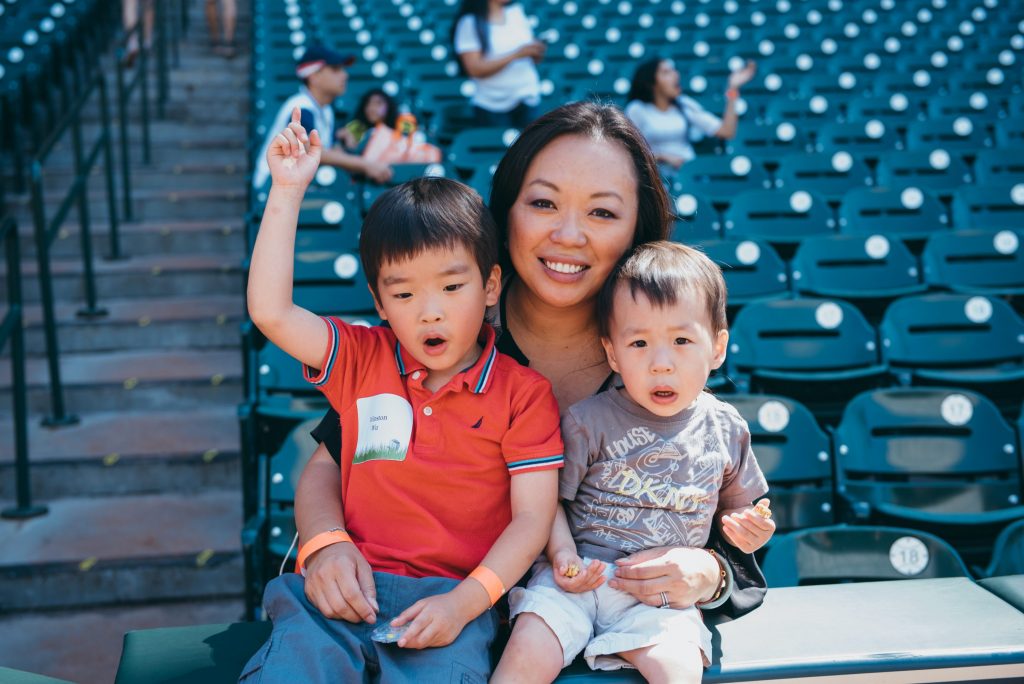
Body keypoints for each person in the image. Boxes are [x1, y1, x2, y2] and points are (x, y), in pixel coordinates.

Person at [306, 101, 768, 656]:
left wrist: (708, 574)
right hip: (424, 635)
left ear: (637, 231)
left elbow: (737, 537)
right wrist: (326, 545)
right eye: (543, 203)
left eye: (602, 213)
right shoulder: (442, 335)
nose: (568, 234)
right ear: (505, 214)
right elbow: (328, 469)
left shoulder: (667, 360)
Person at [241, 109, 565, 682]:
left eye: (451, 285)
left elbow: (531, 521)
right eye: (405, 292)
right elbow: (271, 312)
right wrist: (288, 190)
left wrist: (466, 603)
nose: (430, 309)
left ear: (490, 285)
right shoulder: (362, 359)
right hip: (340, 592)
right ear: (380, 303)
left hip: (449, 608)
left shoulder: (523, 393)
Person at [493, 241, 775, 683]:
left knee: (679, 668)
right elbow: (547, 504)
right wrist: (562, 552)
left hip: (660, 594)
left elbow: (740, 511)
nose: (661, 363)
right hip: (577, 579)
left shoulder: (726, 428)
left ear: (717, 348)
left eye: (682, 340)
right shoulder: (587, 421)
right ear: (612, 353)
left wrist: (750, 529)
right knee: (527, 649)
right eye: (639, 342)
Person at [251, 45, 393, 189]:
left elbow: (333, 150)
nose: (345, 75)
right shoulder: (301, 105)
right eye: (335, 70)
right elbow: (307, 150)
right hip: (272, 189)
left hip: (294, 185)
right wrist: (364, 164)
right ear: (314, 76)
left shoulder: (325, 110)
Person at [625, 57, 758, 171]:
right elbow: (629, 153)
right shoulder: (637, 109)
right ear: (651, 83)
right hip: (654, 178)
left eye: (674, 70)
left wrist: (733, 88)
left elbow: (727, 131)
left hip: (687, 172)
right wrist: (662, 157)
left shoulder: (684, 104)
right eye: (666, 72)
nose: (676, 75)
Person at [451, 0, 546, 128]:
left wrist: (535, 52)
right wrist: (516, 55)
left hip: (527, 96)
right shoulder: (470, 22)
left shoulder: (516, 12)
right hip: (491, 104)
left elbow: (531, 59)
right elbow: (474, 69)